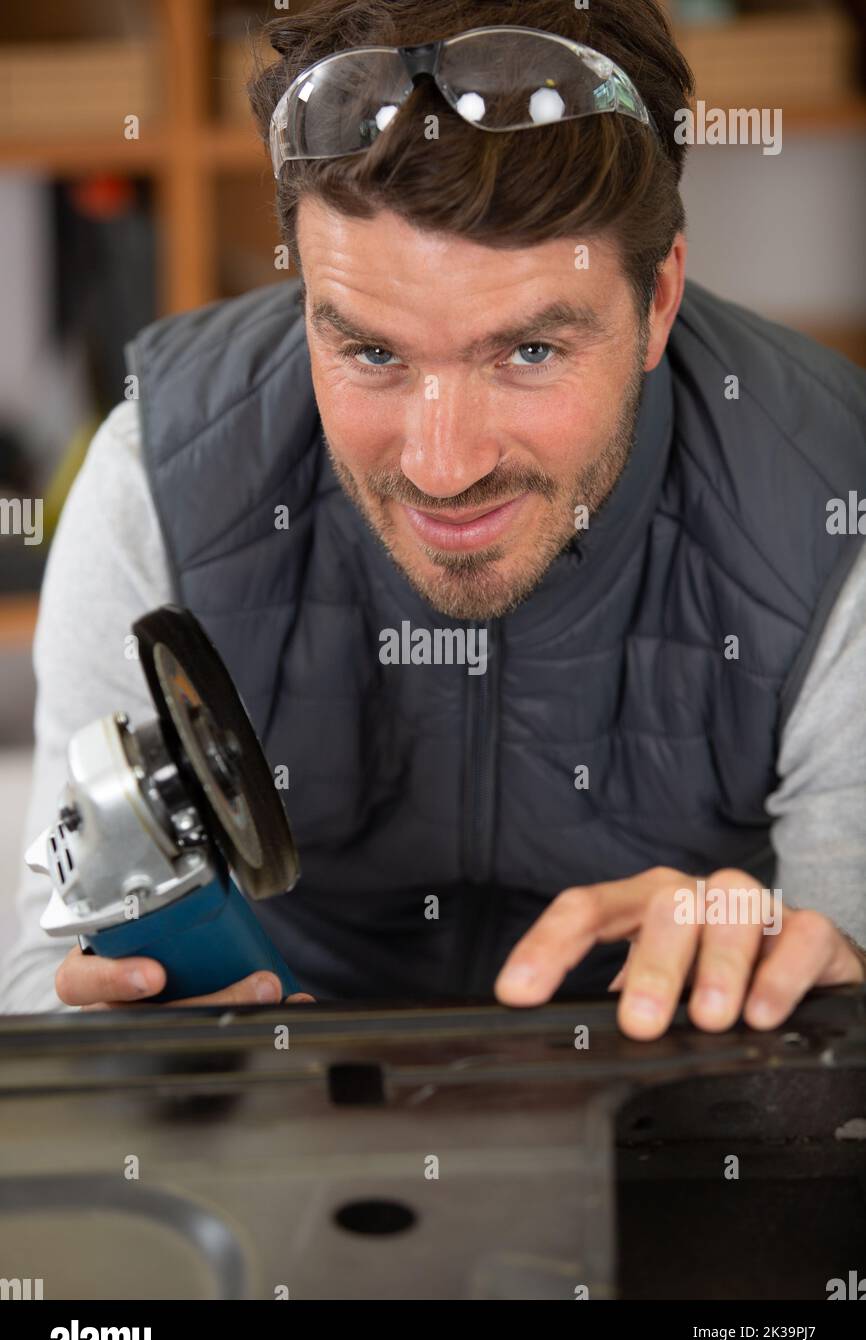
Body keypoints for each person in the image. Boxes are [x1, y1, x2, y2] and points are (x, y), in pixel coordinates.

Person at [3, 0, 865, 1040]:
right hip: (278, 1117)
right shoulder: (154, 472)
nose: (440, 467)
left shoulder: (833, 506)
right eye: (371, 352)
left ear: (656, 299)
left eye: (530, 353)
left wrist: (826, 982)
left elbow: (841, 1023)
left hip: (672, 1101)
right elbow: (44, 972)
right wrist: (113, 1048)